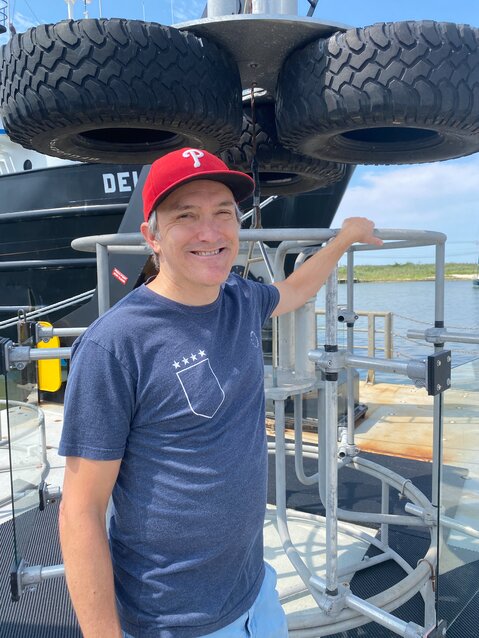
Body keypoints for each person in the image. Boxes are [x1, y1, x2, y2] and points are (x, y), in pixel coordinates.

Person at [58, 148, 382, 638]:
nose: (209, 232)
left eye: (223, 214)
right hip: (174, 622)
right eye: (186, 216)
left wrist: (345, 239)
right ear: (152, 237)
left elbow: (295, 290)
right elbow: (80, 508)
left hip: (255, 594)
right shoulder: (114, 345)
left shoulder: (241, 299)